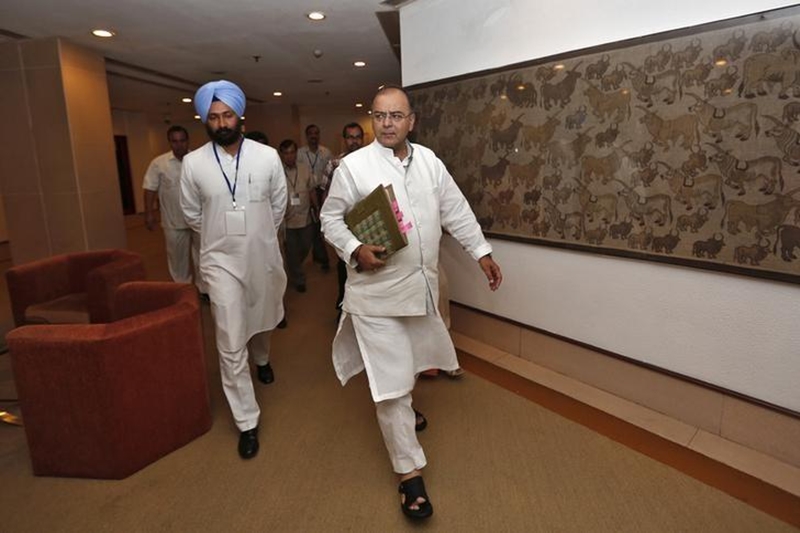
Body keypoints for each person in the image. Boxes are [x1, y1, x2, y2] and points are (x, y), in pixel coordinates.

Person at [320, 85, 502, 520]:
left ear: (411, 121)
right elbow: (329, 218)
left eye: (395, 116)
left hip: (419, 289)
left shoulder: (430, 162)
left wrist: (482, 252)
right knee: (390, 386)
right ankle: (409, 474)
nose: (387, 123)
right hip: (375, 296)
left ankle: (406, 407)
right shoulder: (354, 166)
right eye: (379, 116)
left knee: (415, 360)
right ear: (372, 120)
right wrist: (354, 248)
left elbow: (455, 208)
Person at [180, 80, 287, 459]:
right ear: (204, 120)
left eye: (227, 115)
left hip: (261, 257)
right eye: (213, 117)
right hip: (219, 260)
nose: (222, 123)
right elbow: (193, 215)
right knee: (228, 338)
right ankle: (247, 420)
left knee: (261, 316)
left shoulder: (267, 157)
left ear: (240, 115)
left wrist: (255, 235)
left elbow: (278, 206)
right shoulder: (193, 164)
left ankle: (261, 358)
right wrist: (222, 237)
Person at [143, 126, 206, 297]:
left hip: (199, 220)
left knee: (202, 257)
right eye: (174, 141)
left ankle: (203, 289)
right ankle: (183, 290)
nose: (179, 145)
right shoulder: (159, 163)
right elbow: (150, 188)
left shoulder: (198, 161)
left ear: (188, 141)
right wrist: (148, 213)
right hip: (173, 221)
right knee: (177, 259)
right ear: (169, 142)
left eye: (182, 140)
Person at [322, 122, 365, 316]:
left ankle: (363, 309)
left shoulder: (370, 161)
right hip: (343, 224)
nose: (354, 141)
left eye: (357, 137)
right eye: (350, 137)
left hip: (365, 222)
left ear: (362, 138)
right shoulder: (334, 163)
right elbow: (324, 193)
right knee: (345, 264)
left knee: (365, 265)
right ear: (344, 139)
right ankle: (343, 304)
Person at [279, 139, 318, 293]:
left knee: (305, 246)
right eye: (286, 153)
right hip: (287, 220)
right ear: (281, 155)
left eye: (292, 152)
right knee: (292, 250)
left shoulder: (304, 168)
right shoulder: (277, 171)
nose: (290, 156)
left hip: (306, 217)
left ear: (296, 153)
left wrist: (317, 208)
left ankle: (294, 266)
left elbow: (312, 190)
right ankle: (298, 278)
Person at [297, 124, 332, 271]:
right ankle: (316, 256)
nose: (314, 136)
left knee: (320, 225)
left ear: (319, 135)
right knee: (309, 225)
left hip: (321, 191)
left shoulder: (326, 152)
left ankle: (322, 257)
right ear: (306, 136)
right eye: (310, 133)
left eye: (316, 133)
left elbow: (330, 173)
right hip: (304, 192)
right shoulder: (300, 153)